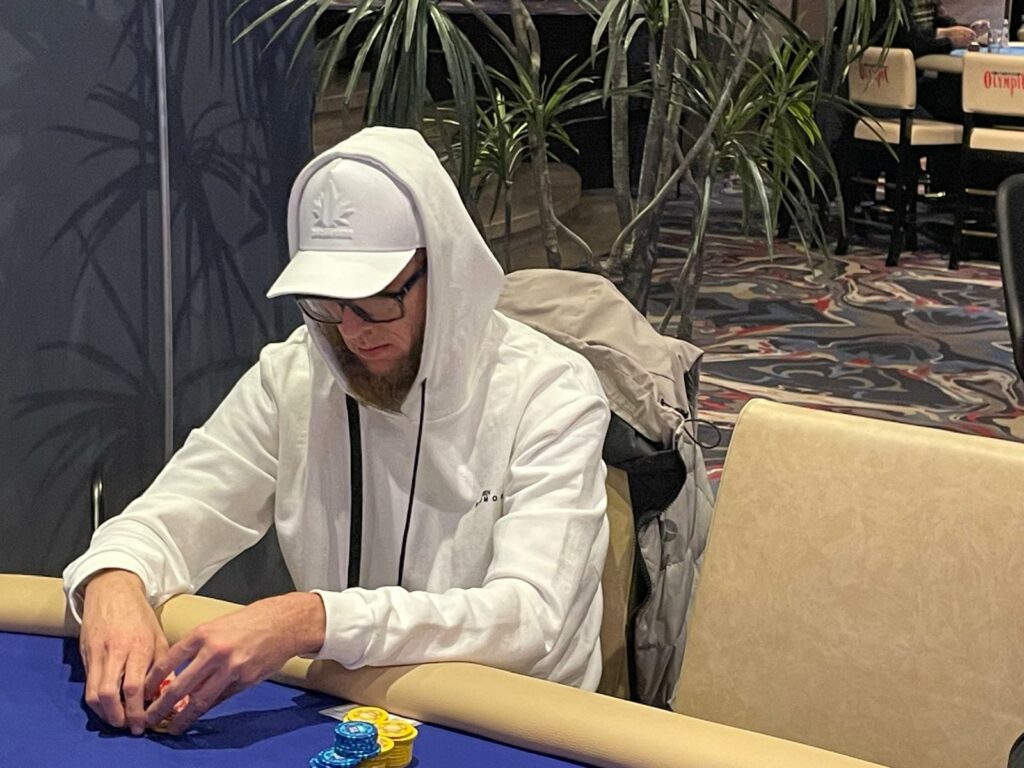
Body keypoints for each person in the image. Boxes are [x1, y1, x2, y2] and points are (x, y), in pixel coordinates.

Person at [62, 127, 611, 737]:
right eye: (326, 302)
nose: (352, 332)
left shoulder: (552, 393)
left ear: (446, 272)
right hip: (344, 708)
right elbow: (169, 518)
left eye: (377, 299)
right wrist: (113, 578)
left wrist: (310, 620)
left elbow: (530, 617)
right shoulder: (294, 375)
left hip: (520, 724)